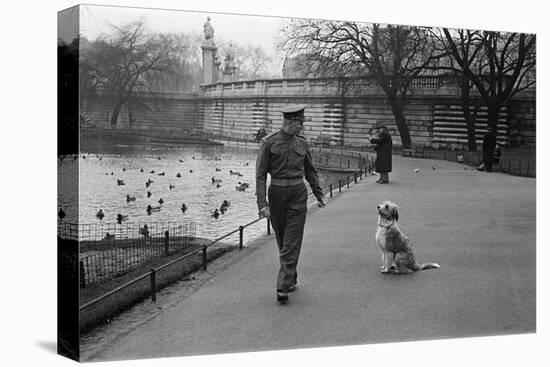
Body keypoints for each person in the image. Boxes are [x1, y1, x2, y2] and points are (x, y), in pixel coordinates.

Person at [256, 104, 327, 304]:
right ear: (290, 121)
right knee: (282, 240)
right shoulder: (269, 143)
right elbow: (260, 175)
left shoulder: (302, 144)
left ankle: (282, 285)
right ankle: (291, 274)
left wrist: (318, 193)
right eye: (300, 123)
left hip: (298, 194)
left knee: (291, 240)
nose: (302, 127)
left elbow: (310, 171)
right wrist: (262, 203)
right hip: (276, 194)